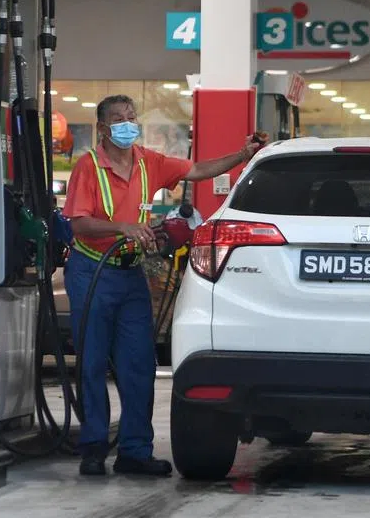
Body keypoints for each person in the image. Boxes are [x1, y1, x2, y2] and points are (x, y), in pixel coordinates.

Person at [62, 94, 265, 477]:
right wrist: (122, 227)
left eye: (132, 116)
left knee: (138, 365)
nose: (128, 123)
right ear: (103, 129)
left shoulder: (148, 161)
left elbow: (199, 169)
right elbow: (78, 224)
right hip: (92, 274)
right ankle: (92, 449)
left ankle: (134, 452)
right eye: (119, 119)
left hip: (131, 275)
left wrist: (242, 154)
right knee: (91, 363)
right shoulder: (88, 168)